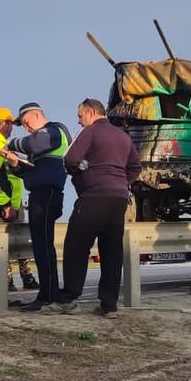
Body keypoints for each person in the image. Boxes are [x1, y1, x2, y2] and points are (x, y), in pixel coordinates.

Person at [53, 98, 141, 318]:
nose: (80, 122)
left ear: (91, 113)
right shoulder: (123, 136)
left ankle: (69, 299)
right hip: (118, 199)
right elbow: (135, 167)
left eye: (80, 116)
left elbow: (71, 159)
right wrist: (120, 181)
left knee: (76, 246)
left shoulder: (90, 132)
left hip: (94, 197)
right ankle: (109, 305)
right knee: (112, 251)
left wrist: (83, 173)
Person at [3, 102, 71, 311]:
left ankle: (47, 296)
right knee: (41, 247)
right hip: (40, 194)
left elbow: (32, 145)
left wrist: (11, 143)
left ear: (36, 115)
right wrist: (16, 164)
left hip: (47, 194)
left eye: (26, 122)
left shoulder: (54, 130)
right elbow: (32, 170)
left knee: (43, 247)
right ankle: (47, 294)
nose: (26, 127)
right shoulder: (43, 140)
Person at [0, 169, 39, 293]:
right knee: (5, 246)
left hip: (17, 207)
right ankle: (8, 279)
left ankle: (27, 276)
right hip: (6, 207)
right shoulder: (0, 165)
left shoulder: (16, 165)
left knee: (22, 244)